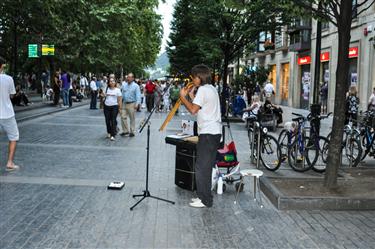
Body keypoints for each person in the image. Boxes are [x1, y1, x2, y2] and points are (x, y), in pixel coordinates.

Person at [179, 64, 222, 208]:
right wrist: (191, 97)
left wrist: (183, 97)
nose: (193, 80)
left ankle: (206, 200)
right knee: (205, 166)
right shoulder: (211, 89)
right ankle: (203, 196)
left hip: (208, 133)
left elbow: (192, 110)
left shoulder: (203, 90)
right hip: (213, 132)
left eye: (194, 77)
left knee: (202, 167)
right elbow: (199, 110)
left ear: (199, 77)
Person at [0, 56, 20, 171]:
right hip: (7, 113)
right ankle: (10, 162)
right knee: (13, 137)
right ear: (2, 66)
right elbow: (12, 95)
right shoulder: (8, 79)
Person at [120, 73, 141, 137]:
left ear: (132, 78)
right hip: (124, 103)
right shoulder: (124, 85)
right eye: (127, 77)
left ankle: (132, 131)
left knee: (132, 118)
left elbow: (138, 96)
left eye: (129, 77)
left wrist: (137, 104)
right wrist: (120, 103)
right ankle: (125, 131)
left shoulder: (136, 86)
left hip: (132, 103)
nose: (128, 78)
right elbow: (122, 95)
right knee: (123, 117)